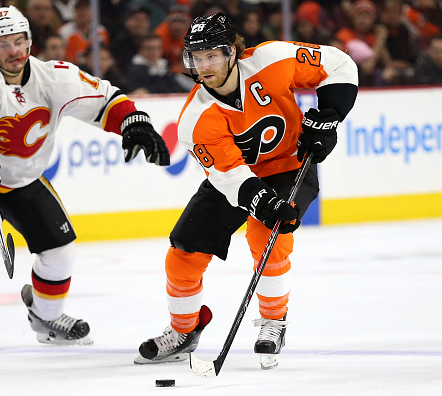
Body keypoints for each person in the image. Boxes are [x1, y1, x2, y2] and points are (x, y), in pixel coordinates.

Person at [0, 5, 170, 344]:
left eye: (18, 41)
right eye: (2, 44)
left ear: (29, 41)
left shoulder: (54, 76)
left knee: (61, 250)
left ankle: (46, 317)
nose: (13, 50)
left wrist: (133, 121)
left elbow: (105, 99)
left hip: (20, 175)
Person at [134, 13, 358, 370]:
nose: (204, 66)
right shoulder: (196, 118)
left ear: (233, 51)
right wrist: (260, 200)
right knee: (182, 253)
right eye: (196, 57)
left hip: (289, 164)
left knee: (269, 237)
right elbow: (229, 176)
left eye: (213, 55)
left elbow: (339, 64)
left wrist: (329, 115)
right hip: (240, 178)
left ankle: (273, 321)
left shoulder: (272, 59)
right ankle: (183, 330)